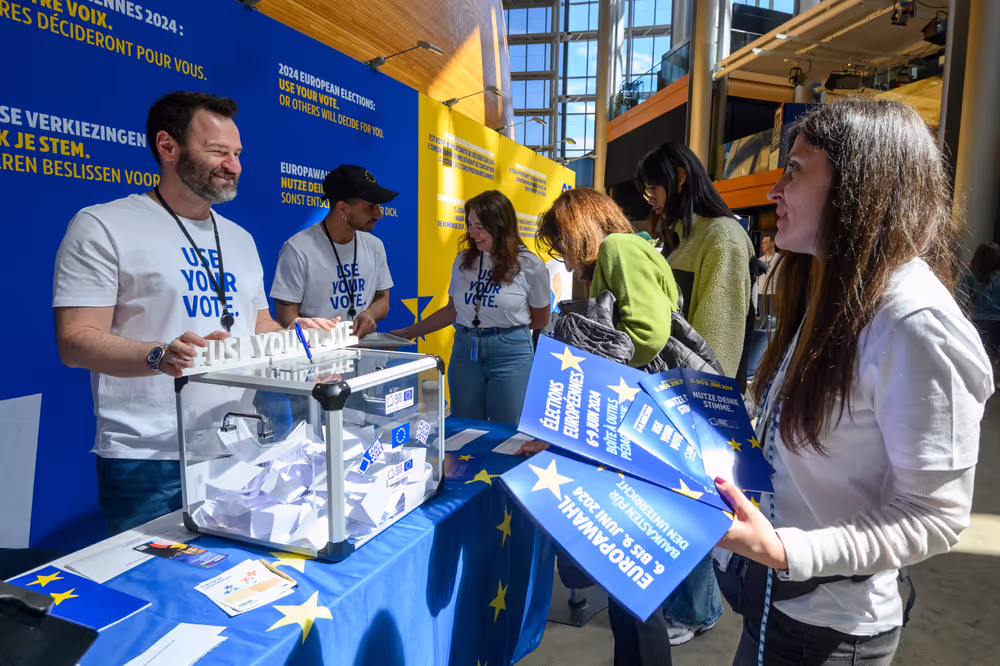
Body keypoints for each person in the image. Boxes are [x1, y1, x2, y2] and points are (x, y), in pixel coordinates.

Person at [715, 100, 992, 665]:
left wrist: (787, 550)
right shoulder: (835, 293)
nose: (774, 191)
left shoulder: (914, 323)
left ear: (859, 184)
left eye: (795, 169)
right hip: (775, 606)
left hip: (830, 635)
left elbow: (935, 515)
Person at [53, 91, 333, 536]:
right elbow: (75, 340)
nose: (234, 166)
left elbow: (256, 323)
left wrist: (293, 333)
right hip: (149, 458)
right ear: (168, 147)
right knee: (155, 578)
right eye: (218, 151)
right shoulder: (103, 225)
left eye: (237, 154)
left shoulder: (239, 238)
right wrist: (159, 355)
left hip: (238, 443)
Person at [533, 187, 682, 666]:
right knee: (628, 584)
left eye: (562, 242)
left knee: (636, 588)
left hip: (632, 425)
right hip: (636, 424)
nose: (562, 255)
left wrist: (590, 367)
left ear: (580, 228)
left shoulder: (619, 249)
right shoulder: (626, 251)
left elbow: (647, 335)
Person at [636, 141, 755, 644]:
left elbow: (718, 340)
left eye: (654, 186)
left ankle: (695, 610)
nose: (650, 197)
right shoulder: (679, 237)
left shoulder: (722, 237)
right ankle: (693, 603)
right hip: (669, 393)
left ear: (681, 178)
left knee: (693, 505)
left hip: (696, 400)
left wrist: (694, 403)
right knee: (676, 503)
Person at [389, 190, 549, 425]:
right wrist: (406, 333)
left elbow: (541, 320)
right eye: (470, 225)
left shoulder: (530, 266)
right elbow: (451, 311)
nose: (472, 233)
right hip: (466, 349)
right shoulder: (464, 260)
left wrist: (500, 327)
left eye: (480, 227)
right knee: (464, 427)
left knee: (508, 429)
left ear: (500, 227)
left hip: (510, 353)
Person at [270, 164, 396, 338]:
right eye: (371, 206)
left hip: (363, 350)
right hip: (315, 351)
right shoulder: (297, 249)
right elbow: (285, 315)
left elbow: (382, 300)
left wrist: (370, 314)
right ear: (343, 208)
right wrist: (310, 330)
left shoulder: (375, 246)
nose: (379, 214)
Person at [960, 242, 1000, 389]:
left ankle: (978, 386)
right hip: (997, 322)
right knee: (994, 356)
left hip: (977, 321)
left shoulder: (969, 276)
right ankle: (993, 383)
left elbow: (960, 301)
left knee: (978, 355)